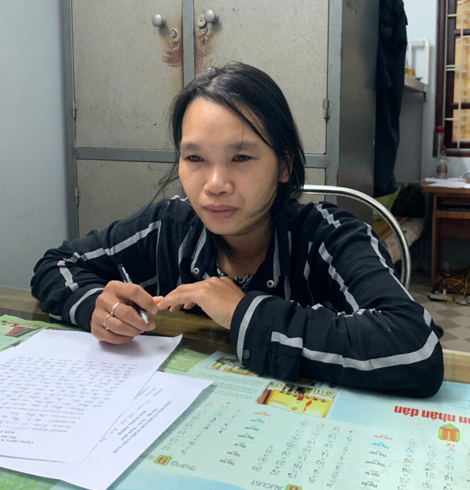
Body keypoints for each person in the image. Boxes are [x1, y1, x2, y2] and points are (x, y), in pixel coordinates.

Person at [31, 62, 443, 397]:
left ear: (284, 166)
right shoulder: (168, 227)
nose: (214, 184)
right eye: (195, 158)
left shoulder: (329, 238)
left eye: (241, 158)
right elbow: (56, 264)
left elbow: (415, 347)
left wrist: (243, 311)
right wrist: (96, 306)